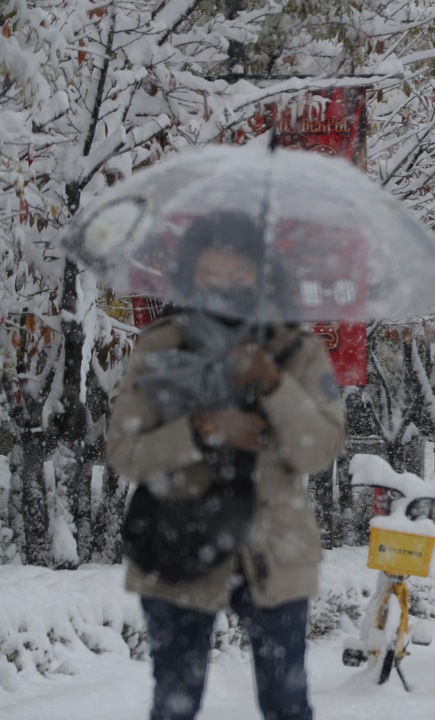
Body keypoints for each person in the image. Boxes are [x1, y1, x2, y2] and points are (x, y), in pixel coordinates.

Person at [107, 211, 345, 720]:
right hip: (178, 542)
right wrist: (205, 428)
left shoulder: (295, 349)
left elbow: (319, 450)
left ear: (261, 274)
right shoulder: (162, 345)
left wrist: (273, 384)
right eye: (210, 279)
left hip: (274, 550)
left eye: (238, 278)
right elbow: (124, 452)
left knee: (286, 702)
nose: (224, 290)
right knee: (174, 705)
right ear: (190, 276)